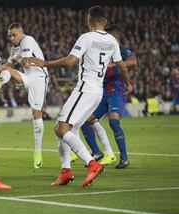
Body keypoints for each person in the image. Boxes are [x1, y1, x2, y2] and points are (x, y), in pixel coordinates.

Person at [28, 6, 133, 187]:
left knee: (61, 129)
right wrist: (128, 84)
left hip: (85, 89)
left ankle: (92, 164)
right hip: (98, 92)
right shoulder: (112, 41)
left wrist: (44, 63)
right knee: (71, 130)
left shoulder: (86, 37)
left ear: (88, 21)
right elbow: (122, 66)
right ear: (105, 22)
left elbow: (70, 61)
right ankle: (66, 171)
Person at [0, 23, 49, 169]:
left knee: (36, 115)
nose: (11, 38)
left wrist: (7, 64)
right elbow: (8, 67)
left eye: (14, 35)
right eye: (9, 36)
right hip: (28, 77)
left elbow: (26, 62)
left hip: (38, 78)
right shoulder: (14, 48)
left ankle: (38, 152)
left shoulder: (28, 40)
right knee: (6, 72)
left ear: (21, 32)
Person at [79, 24, 137, 169]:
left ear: (116, 37)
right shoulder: (102, 48)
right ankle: (97, 152)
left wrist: (113, 65)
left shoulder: (120, 48)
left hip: (116, 92)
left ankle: (124, 158)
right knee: (85, 121)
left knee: (114, 123)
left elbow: (133, 61)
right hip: (102, 94)